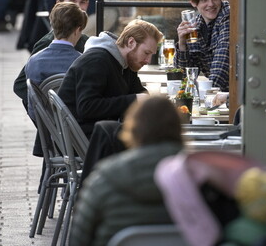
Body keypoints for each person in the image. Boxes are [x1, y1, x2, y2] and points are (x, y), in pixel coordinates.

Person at [68, 96, 183, 246]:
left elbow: (78, 239)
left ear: (132, 130)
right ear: (179, 129)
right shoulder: (206, 181)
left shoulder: (103, 181)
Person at [57, 19, 163, 138]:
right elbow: (87, 107)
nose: (148, 61)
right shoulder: (96, 60)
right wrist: (134, 100)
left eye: (151, 55)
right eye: (146, 53)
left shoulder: (127, 64)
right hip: (78, 138)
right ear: (131, 43)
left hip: (99, 132)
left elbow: (139, 93)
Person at [14, 0, 91, 111]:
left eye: (83, 2)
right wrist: (46, 112)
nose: (79, 8)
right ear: (58, 4)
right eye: (72, 2)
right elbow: (21, 85)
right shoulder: (48, 43)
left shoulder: (86, 41)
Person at [24, 1, 88, 121]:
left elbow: (33, 109)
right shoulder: (83, 62)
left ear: (52, 25)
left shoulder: (34, 61)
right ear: (77, 30)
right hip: (78, 131)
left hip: (46, 130)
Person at [175, 0, 230, 91]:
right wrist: (182, 44)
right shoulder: (196, 26)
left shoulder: (227, 16)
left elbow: (221, 68)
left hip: (237, 96)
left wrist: (207, 96)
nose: (211, 4)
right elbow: (184, 76)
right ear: (193, 3)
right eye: (204, 0)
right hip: (217, 96)